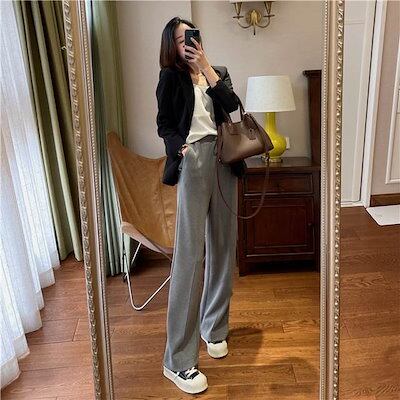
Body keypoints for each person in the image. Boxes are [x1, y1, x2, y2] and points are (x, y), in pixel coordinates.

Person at [156, 16, 245, 394]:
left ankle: (215, 327)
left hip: (224, 159)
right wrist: (180, 148)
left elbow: (232, 105)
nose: (187, 44)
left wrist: (207, 68)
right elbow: (164, 124)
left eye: (191, 37)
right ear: (172, 46)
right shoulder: (169, 78)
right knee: (190, 257)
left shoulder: (216, 72)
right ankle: (177, 359)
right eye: (181, 40)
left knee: (224, 247)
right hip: (192, 161)